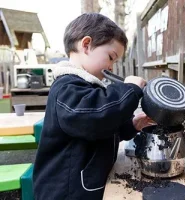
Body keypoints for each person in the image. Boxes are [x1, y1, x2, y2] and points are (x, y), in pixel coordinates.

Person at [33, 13, 152, 200]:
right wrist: (129, 89)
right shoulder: (66, 87)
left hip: (84, 187)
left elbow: (101, 130)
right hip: (66, 192)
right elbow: (95, 117)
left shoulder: (86, 88)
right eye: (111, 57)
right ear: (86, 45)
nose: (111, 67)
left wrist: (132, 125)